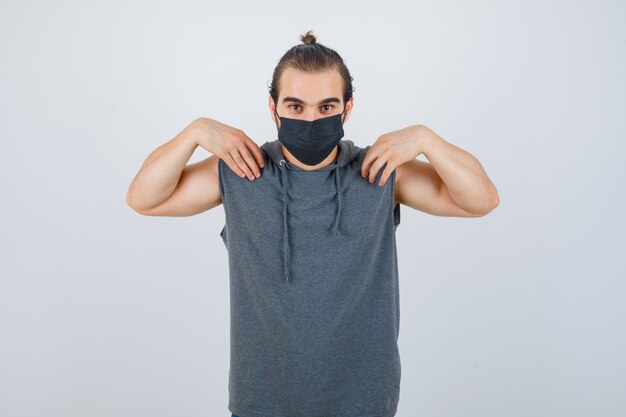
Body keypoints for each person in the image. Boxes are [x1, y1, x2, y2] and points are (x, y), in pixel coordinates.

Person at [126, 30, 499, 417]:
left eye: (326, 107)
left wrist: (426, 139)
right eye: (295, 106)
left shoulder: (381, 171)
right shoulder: (242, 169)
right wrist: (196, 131)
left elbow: (482, 200)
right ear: (273, 108)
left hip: (364, 404)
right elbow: (143, 198)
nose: (309, 118)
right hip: (261, 405)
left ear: (347, 109)